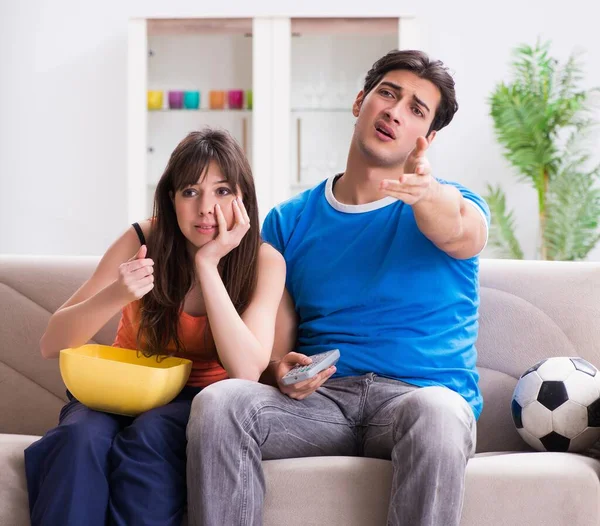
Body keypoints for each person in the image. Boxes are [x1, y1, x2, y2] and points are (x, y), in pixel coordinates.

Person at [186, 50, 491, 526]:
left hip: (416, 400)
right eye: (387, 94)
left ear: (427, 139)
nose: (394, 110)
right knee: (220, 403)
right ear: (359, 103)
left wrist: (429, 193)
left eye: (416, 109)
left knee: (439, 412)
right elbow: (273, 352)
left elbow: (457, 229)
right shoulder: (289, 221)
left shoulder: (452, 204)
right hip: (322, 403)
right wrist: (278, 369)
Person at [24, 128, 286, 526]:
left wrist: (207, 265)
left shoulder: (264, 261)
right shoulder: (144, 238)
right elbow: (51, 342)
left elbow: (247, 370)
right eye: (190, 192)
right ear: (171, 200)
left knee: (151, 436)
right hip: (117, 388)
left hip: (196, 402)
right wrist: (117, 293)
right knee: (79, 439)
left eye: (222, 191)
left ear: (244, 200)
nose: (206, 209)